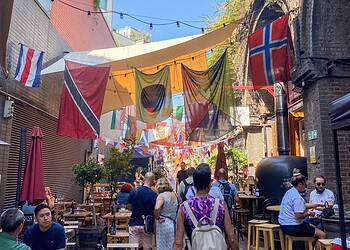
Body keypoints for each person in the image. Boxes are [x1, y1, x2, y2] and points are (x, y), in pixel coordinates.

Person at [173, 163, 238, 250]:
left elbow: (178, 243)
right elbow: (231, 237)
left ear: (194, 184)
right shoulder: (220, 205)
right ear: (209, 184)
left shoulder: (184, 208)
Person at [278, 171, 325, 239]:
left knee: (313, 226)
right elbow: (298, 216)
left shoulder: (289, 192)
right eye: (305, 184)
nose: (305, 187)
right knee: (322, 234)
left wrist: (315, 205)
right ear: (300, 184)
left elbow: (300, 206)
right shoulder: (297, 197)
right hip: (293, 227)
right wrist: (309, 213)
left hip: (284, 225)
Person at [128, 172, 157, 250]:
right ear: (153, 181)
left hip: (134, 222)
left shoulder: (133, 191)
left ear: (144, 179)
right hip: (147, 225)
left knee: (133, 247)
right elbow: (156, 210)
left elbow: (129, 207)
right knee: (147, 247)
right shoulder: (153, 194)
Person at [154, 178, 179, 250]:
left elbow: (157, 208)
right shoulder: (175, 195)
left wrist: (157, 217)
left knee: (162, 246)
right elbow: (180, 203)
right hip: (173, 222)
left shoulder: (161, 196)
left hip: (163, 223)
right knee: (171, 246)